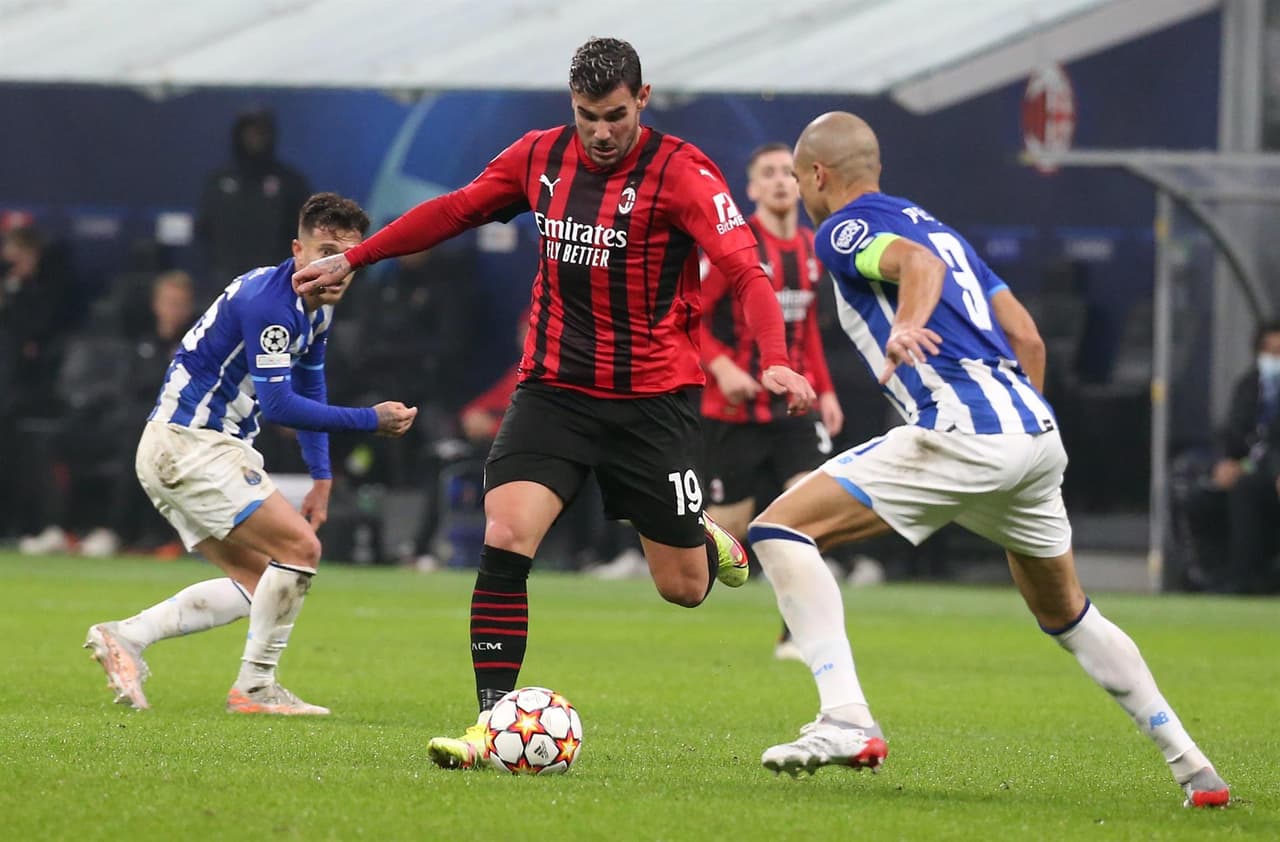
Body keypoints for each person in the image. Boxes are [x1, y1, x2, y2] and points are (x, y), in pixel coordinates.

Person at [294, 37, 815, 768]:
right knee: (505, 536)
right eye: (585, 115)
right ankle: (490, 722)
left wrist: (779, 363)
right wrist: (355, 256)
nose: (599, 132)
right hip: (555, 390)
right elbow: (456, 210)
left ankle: (699, 537)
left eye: (613, 115)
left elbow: (746, 272)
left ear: (644, 99)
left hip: (652, 400)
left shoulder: (685, 172)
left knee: (686, 588)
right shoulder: (540, 156)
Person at [745, 112, 1229, 808]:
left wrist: (908, 324)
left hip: (964, 428)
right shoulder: (942, 226)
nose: (798, 188)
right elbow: (1026, 335)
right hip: (1032, 433)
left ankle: (846, 719)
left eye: (798, 175)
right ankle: (1195, 768)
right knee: (1068, 612)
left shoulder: (842, 229)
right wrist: (1011, 438)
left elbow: (918, 266)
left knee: (779, 531)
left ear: (818, 175)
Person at [84, 193, 418, 715]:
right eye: (325, 250)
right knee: (302, 551)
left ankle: (125, 636)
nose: (336, 268)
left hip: (187, 448)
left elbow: (310, 382)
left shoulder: (314, 304)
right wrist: (371, 420)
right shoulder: (271, 304)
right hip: (192, 445)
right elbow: (282, 405)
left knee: (262, 583)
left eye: (348, 256)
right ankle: (256, 688)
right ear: (298, 249)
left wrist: (322, 477)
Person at [697, 142, 843, 659]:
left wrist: (824, 389)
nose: (782, 181)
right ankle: (665, 550)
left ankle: (795, 635)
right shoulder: (735, 248)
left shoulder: (810, 247)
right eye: (770, 174)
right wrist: (723, 369)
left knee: (808, 510)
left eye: (789, 172)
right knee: (727, 532)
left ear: (803, 183)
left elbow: (809, 332)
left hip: (792, 412)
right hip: (736, 411)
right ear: (752, 188)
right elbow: (688, 317)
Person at [1182, 321, 1280, 593]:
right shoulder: (1249, 385)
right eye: (1269, 351)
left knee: (1245, 490)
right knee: (1199, 498)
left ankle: (1243, 579)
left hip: (1270, 475)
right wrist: (1226, 461)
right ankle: (1207, 575)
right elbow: (1233, 432)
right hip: (1251, 471)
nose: (1275, 359)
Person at [196, 108, 313, 294]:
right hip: (226, 283)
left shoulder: (290, 182)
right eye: (249, 132)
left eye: (260, 132)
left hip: (275, 284)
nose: (254, 138)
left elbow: (307, 234)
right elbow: (204, 230)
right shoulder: (219, 181)